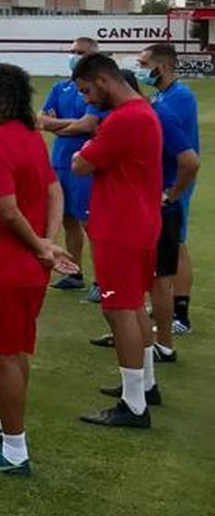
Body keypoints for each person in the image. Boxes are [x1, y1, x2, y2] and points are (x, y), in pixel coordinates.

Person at [0, 64, 70, 475]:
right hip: (26, 267)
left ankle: (13, 451)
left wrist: (41, 243)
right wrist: (45, 242)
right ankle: (6, 424)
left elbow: (7, 211)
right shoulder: (30, 136)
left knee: (3, 354)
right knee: (17, 347)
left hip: (2, 266)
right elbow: (53, 189)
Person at [72, 53, 163, 429]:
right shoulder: (142, 112)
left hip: (120, 227)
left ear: (104, 82)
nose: (86, 99)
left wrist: (82, 151)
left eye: (87, 90)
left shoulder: (124, 120)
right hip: (139, 222)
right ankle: (145, 385)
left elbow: (81, 163)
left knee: (118, 309)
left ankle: (134, 405)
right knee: (134, 306)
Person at [138, 41, 198, 343]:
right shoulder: (161, 94)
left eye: (144, 64)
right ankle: (166, 306)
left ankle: (180, 313)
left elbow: (161, 132)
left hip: (176, 181)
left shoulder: (180, 96)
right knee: (167, 245)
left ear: (161, 66)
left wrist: (174, 193)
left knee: (178, 244)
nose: (141, 70)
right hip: (163, 178)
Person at [38, 37, 102, 293]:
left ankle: (102, 281)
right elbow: (41, 118)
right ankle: (75, 273)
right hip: (60, 162)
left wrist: (59, 126)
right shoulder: (60, 87)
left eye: (81, 52)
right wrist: (67, 126)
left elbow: (89, 124)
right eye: (73, 51)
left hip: (85, 164)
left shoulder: (97, 91)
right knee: (66, 218)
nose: (75, 56)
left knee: (91, 223)